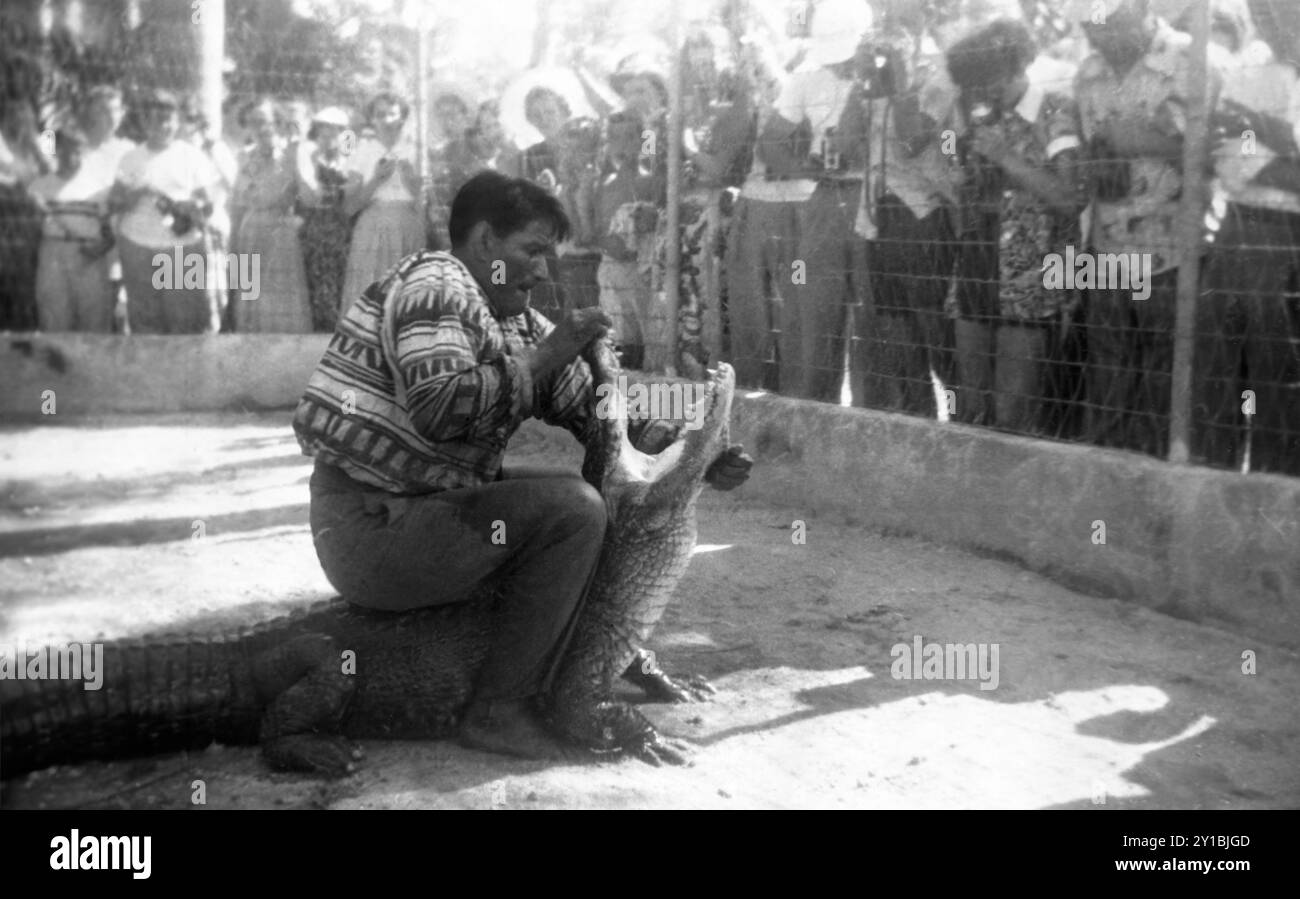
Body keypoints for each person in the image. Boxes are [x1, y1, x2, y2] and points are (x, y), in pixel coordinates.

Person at [292, 171, 751, 758]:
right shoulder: (436, 283)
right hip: (368, 527)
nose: (543, 270)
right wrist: (550, 353)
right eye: (531, 251)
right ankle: (498, 711)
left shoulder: (511, 316)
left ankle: (600, 662)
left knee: (580, 501)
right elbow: (439, 407)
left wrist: (694, 453)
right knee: (572, 512)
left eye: (547, 254)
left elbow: (600, 416)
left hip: (422, 511)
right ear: (484, 241)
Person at [1066, 0, 1222, 457]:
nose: (1101, 36)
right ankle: (1106, 500)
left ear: (1141, 9)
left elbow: (1221, 154)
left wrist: (1143, 141)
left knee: (1164, 383)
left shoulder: (1193, 60)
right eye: (1092, 27)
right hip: (1108, 247)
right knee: (1108, 378)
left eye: (1111, 24)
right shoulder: (1087, 72)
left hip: (1172, 250)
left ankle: (1154, 496)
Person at [946, 19, 1084, 433]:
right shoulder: (975, 114)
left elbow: (1071, 196)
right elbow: (957, 173)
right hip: (976, 264)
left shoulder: (1055, 110)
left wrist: (1005, 157)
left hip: (1031, 275)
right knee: (970, 408)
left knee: (1012, 414)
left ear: (1016, 67)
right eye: (973, 85)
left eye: (989, 82)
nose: (982, 93)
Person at [1192, 0, 1300, 474]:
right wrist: (1283, 152)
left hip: (1291, 238)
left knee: (1284, 389)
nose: (1276, 21)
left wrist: (1269, 134)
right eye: (1268, 11)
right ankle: (1214, 506)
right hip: (1242, 233)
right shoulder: (1248, 74)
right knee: (1221, 377)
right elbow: (1228, 164)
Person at [755, 0, 874, 402]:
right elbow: (770, 142)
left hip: (880, 197)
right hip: (827, 198)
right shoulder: (805, 78)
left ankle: (872, 415)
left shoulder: (893, 75)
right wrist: (807, 169)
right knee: (813, 309)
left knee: (875, 318)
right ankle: (810, 409)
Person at [110, 88, 221, 334]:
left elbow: (208, 204)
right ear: (145, 121)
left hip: (181, 248)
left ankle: (186, 372)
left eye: (169, 119)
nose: (164, 126)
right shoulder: (131, 158)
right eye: (157, 119)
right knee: (145, 320)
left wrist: (191, 206)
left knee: (185, 320)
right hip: (138, 247)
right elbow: (114, 201)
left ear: (177, 121)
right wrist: (136, 194)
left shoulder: (192, 156)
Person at [228, 98, 313, 333]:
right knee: (250, 301)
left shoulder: (292, 154)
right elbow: (237, 204)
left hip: (281, 234)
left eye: (269, 122)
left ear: (279, 123)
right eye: (255, 123)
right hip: (250, 233)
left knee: (282, 303)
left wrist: (297, 162)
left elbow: (309, 199)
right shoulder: (242, 157)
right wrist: (233, 252)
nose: (263, 128)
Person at [340, 91, 424, 314]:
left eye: (392, 114)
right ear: (372, 119)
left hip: (408, 228)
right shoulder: (361, 150)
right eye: (380, 114)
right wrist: (376, 179)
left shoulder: (416, 150)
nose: (387, 120)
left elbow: (427, 204)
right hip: (372, 229)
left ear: (402, 118)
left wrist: (412, 182)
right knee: (371, 297)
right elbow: (349, 207)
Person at [30, 128, 116, 331]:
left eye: (77, 150)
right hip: (52, 254)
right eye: (65, 149)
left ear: (84, 151)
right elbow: (30, 232)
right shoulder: (39, 186)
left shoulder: (99, 187)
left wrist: (101, 248)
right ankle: (58, 361)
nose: (71, 156)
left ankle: (92, 362)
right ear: (56, 150)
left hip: (90, 255)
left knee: (94, 317)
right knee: (53, 316)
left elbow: (110, 231)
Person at [297, 106, 359, 332]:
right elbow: (308, 194)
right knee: (315, 278)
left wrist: (336, 190)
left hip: (342, 228)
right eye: (324, 130)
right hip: (316, 227)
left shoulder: (350, 158)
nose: (329, 135)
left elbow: (354, 189)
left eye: (335, 130)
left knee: (340, 280)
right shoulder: (310, 157)